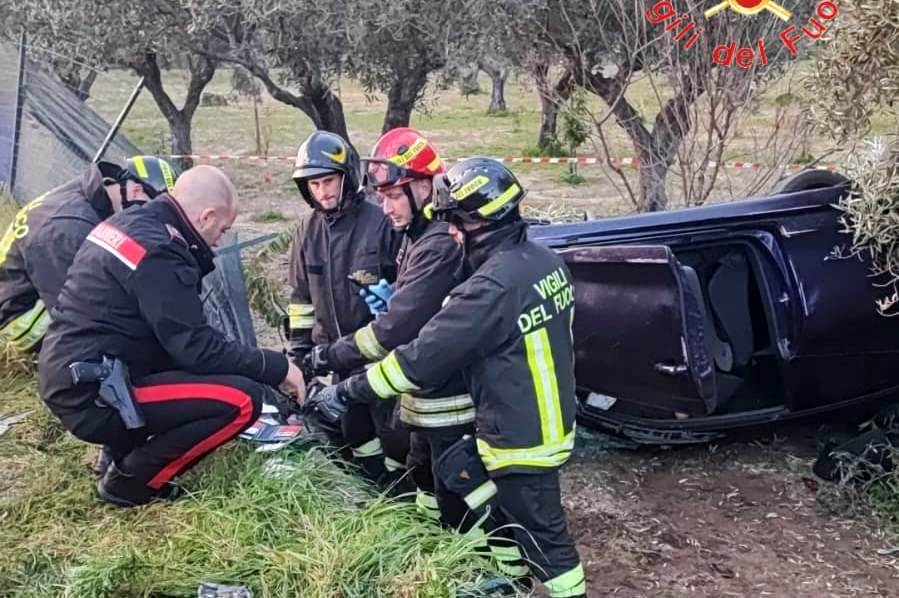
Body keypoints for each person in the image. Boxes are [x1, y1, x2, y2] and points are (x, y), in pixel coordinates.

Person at [315, 158, 586, 597]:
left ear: (481, 222)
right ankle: (511, 584)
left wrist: (346, 391)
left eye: (457, 223)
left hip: (520, 434)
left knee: (548, 545)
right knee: (504, 517)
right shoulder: (543, 262)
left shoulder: (490, 288)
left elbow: (418, 360)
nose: (452, 234)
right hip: (548, 416)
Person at [37, 165, 305, 507]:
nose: (219, 240)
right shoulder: (161, 251)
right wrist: (276, 367)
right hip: (94, 392)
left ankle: (123, 450)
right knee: (242, 401)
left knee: (197, 378)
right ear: (207, 217)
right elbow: (196, 349)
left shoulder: (130, 224)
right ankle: (133, 482)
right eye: (222, 230)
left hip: (81, 373)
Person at [304, 127, 475, 521]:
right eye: (381, 197)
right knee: (424, 476)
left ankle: (466, 553)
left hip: (448, 397)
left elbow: (392, 332)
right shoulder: (416, 235)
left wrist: (327, 358)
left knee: (453, 487)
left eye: (394, 195)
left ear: (427, 186)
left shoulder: (438, 242)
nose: (386, 208)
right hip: (425, 393)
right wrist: (396, 294)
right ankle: (430, 540)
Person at [285, 130, 403, 485]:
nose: (323, 192)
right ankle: (377, 491)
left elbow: (407, 289)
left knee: (398, 439)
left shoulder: (382, 222)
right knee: (356, 434)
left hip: (383, 358)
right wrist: (299, 355)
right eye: (314, 184)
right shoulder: (306, 231)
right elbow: (301, 299)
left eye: (328, 181)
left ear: (347, 176)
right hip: (336, 360)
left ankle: (404, 492)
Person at [0, 156, 177, 353]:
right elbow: (78, 309)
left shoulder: (89, 195)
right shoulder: (67, 230)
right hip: (18, 322)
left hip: (33, 288)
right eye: (152, 211)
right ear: (136, 191)